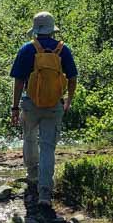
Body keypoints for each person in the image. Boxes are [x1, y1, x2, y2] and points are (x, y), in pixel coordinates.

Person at [10, 11, 78, 209]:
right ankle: (45, 193)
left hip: (30, 104)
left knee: (29, 137)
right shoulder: (63, 50)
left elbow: (18, 81)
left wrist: (15, 107)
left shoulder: (26, 49)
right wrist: (69, 101)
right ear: (52, 29)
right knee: (48, 147)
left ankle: (32, 176)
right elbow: (72, 78)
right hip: (54, 105)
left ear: (36, 30)